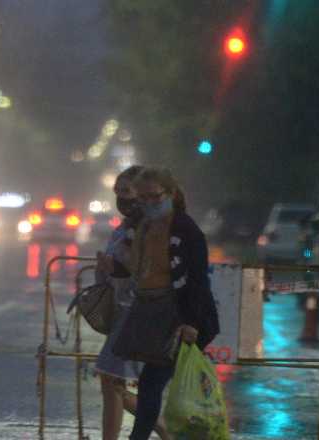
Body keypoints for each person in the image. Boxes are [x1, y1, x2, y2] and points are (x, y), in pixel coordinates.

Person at [126, 166, 220, 440]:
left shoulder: (185, 229)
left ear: (170, 193)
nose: (148, 203)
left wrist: (191, 322)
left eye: (154, 196)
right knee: (150, 384)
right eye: (142, 198)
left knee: (151, 383)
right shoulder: (147, 226)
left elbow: (198, 280)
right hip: (157, 315)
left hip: (181, 318)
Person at [94, 165, 171, 440]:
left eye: (126, 191)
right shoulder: (126, 226)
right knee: (111, 380)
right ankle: (161, 426)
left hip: (140, 311)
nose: (122, 199)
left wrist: (116, 265)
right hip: (124, 309)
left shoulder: (151, 227)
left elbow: (146, 268)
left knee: (112, 380)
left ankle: (159, 426)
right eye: (117, 192)